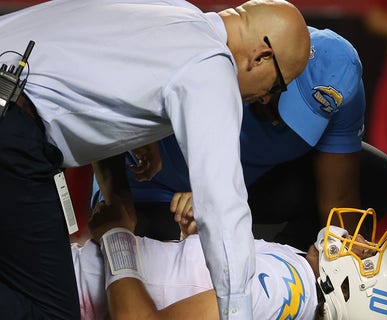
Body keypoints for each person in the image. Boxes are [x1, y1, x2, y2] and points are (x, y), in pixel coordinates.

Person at [0, 0, 310, 319]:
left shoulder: (174, 10)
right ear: (262, 56)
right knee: (48, 314)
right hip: (13, 128)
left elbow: (83, 72)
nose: (264, 99)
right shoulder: (211, 65)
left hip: (11, 97)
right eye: (276, 87)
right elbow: (222, 209)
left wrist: (139, 136)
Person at [94, 27, 387, 250]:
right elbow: (103, 114)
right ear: (265, 61)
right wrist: (118, 205)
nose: (286, 121)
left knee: (375, 177)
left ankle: (289, 270)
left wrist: (341, 263)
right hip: (158, 193)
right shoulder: (211, 56)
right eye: (281, 95)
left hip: (240, 186)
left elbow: (340, 203)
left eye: (312, 117)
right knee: (176, 280)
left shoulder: (342, 88)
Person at [81, 202, 387, 319]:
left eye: (368, 253)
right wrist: (197, 245)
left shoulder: (286, 288)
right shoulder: (297, 279)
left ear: (357, 291)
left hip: (68, 288)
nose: (359, 238)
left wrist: (116, 236)